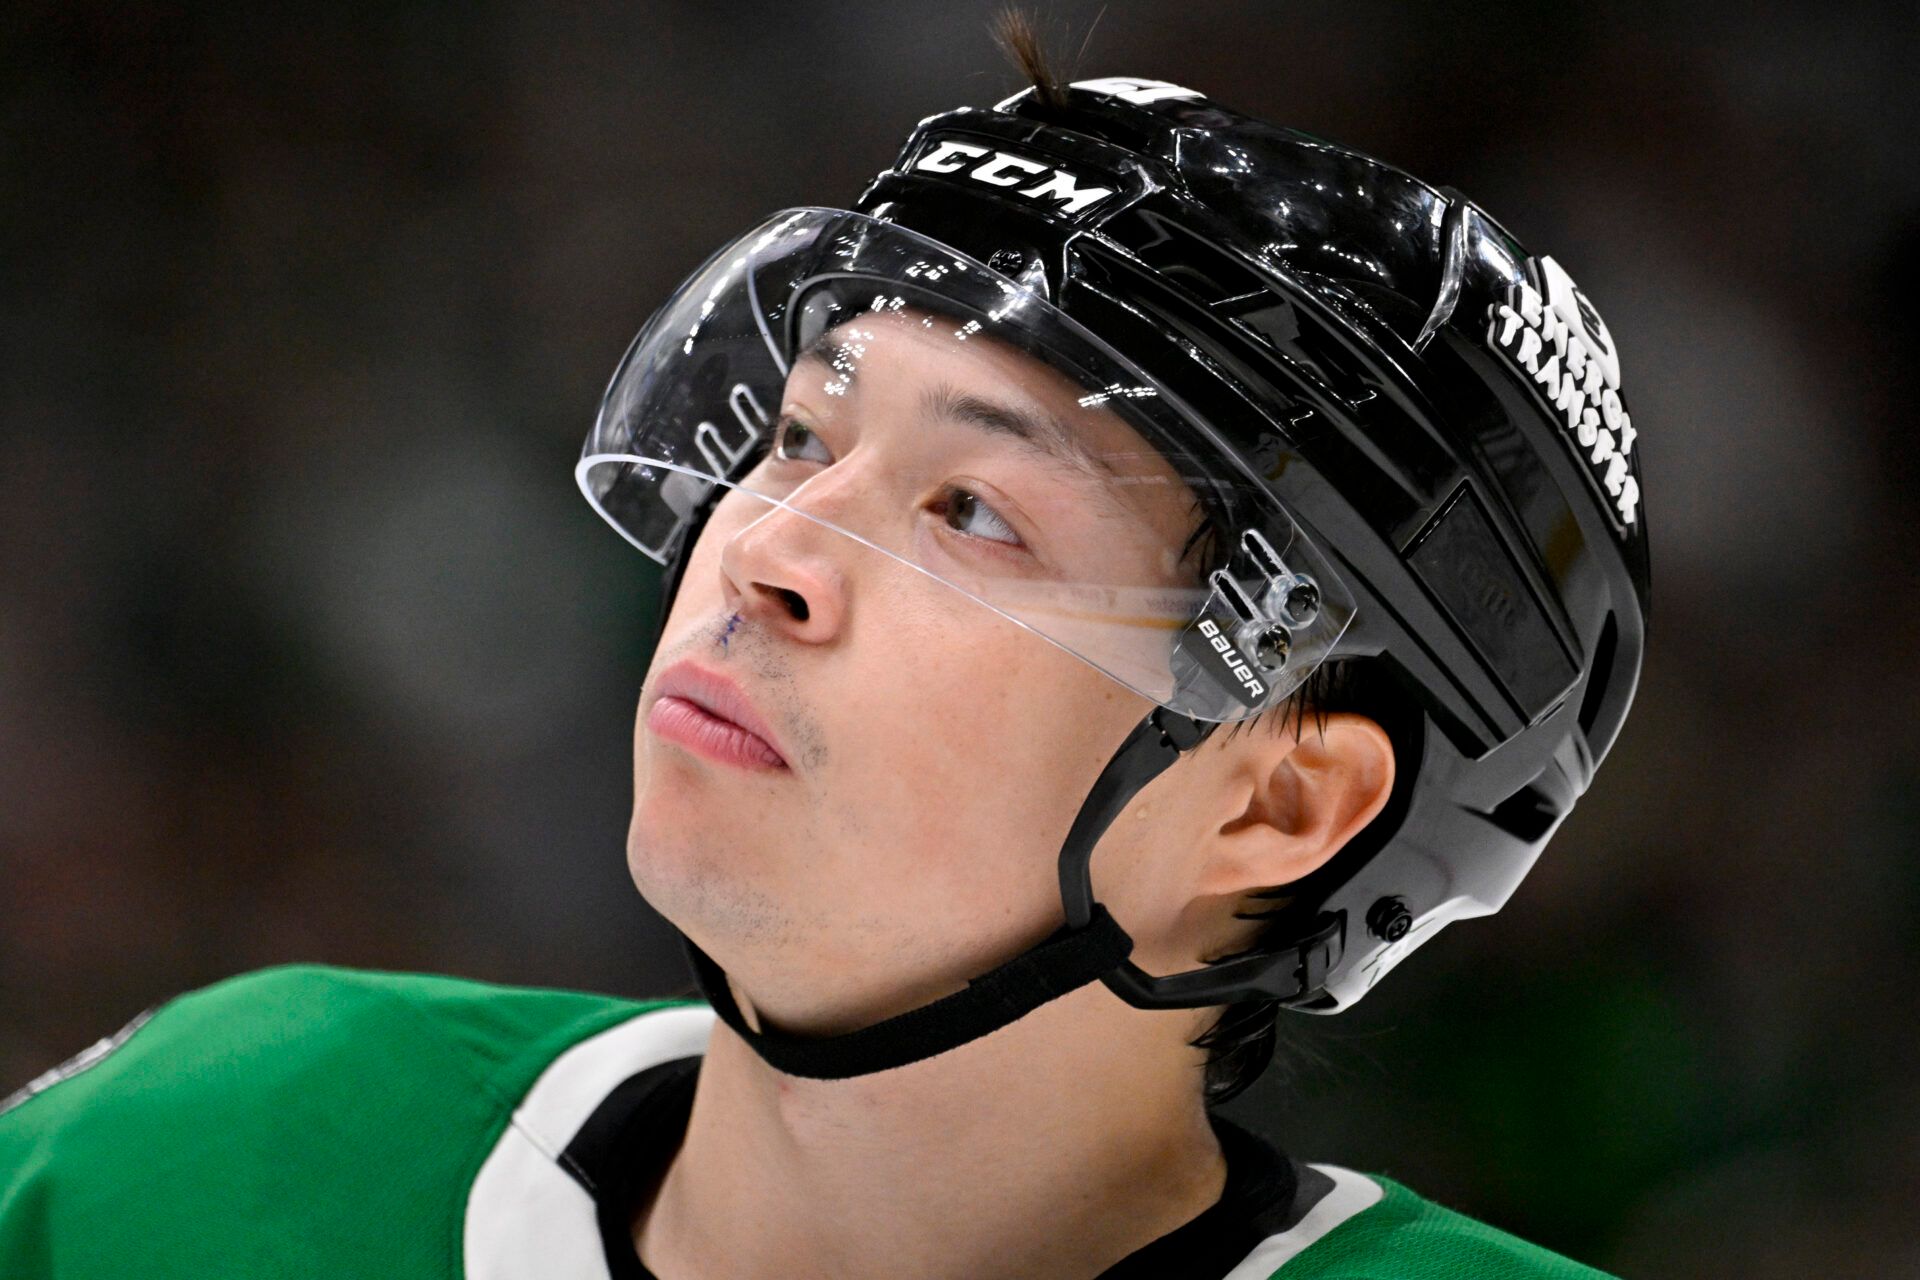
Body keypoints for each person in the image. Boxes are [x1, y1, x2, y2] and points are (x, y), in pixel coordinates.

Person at [0, 27, 1649, 1280]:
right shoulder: (208, 1150)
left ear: (1280, 807)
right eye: (801, 433)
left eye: (975, 511)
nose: (770, 548)